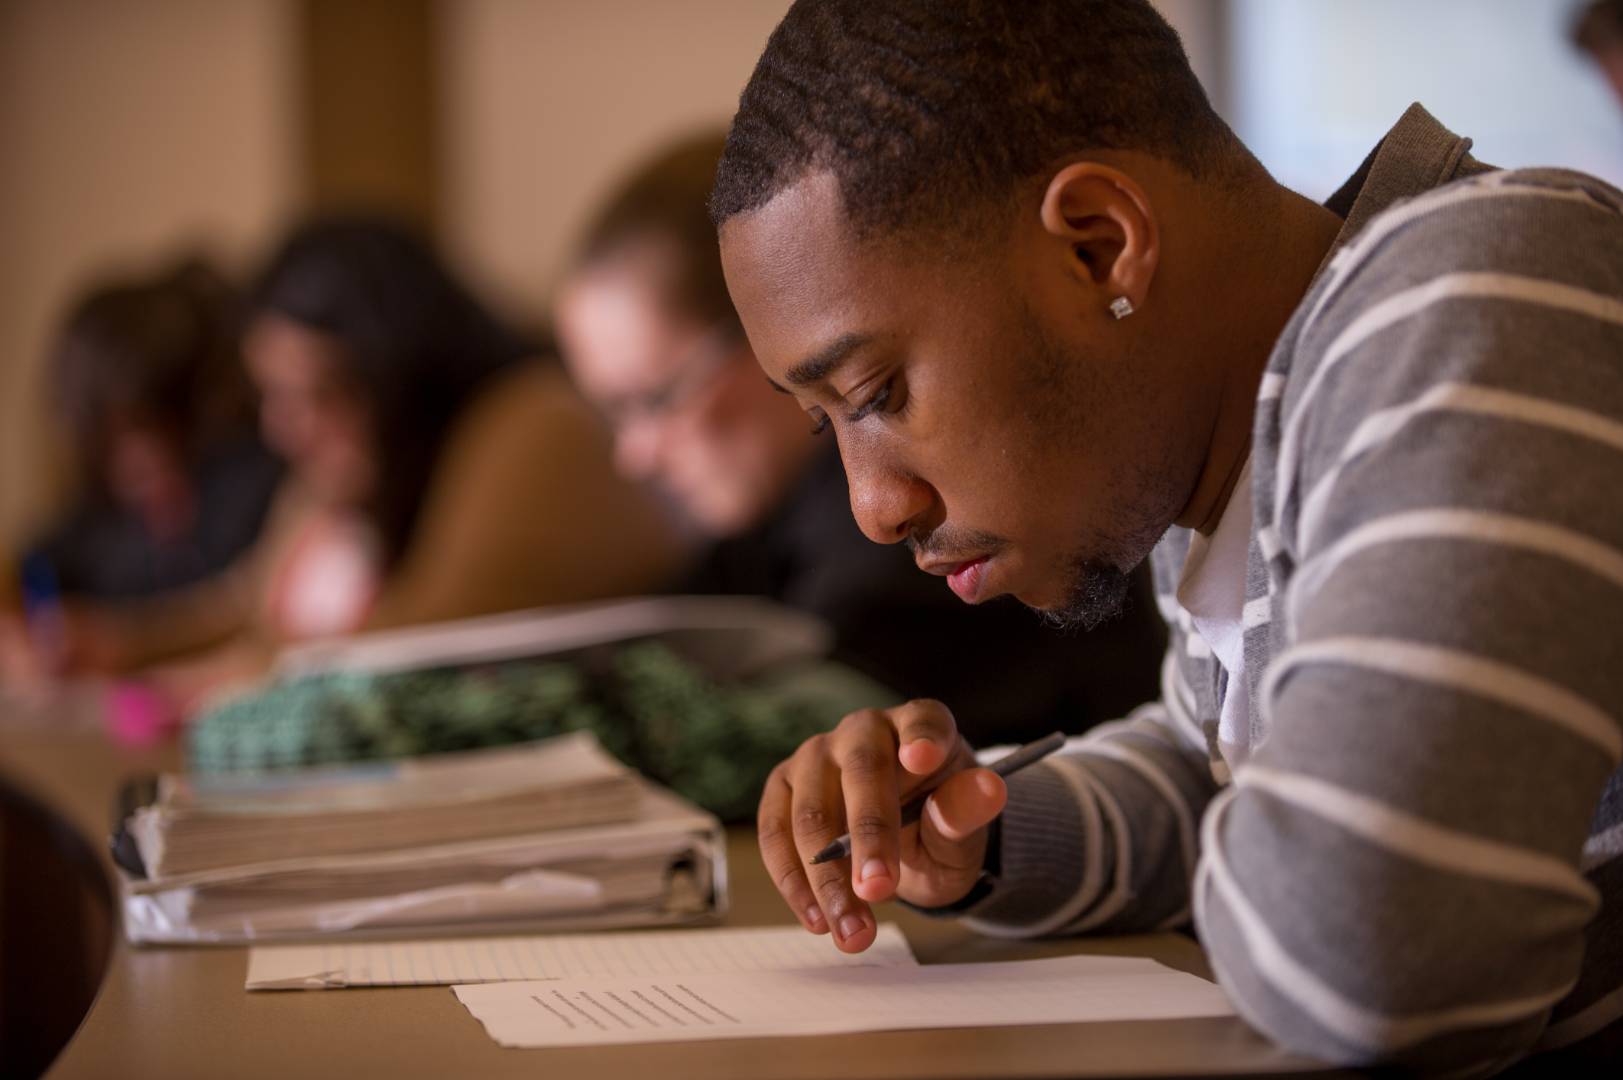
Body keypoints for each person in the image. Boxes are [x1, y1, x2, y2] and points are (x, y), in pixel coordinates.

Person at [714, 1, 1623, 1073]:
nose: (875, 507)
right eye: (826, 425)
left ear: (1100, 248)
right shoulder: (1216, 470)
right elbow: (1225, 767)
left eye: (877, 392)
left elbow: (1380, 949)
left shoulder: (1480, 296)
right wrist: (983, 826)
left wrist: (1305, 839)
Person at [555, 132, 1165, 746]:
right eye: (614, 414)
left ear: (767, 322)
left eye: (654, 400)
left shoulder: (925, 529)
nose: (634, 454)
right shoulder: (760, 532)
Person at [47, 217, 683, 710]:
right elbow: (249, 602)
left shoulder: (532, 423)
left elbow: (428, 635)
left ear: (402, 375)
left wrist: (233, 677)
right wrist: (115, 643)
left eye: (321, 393)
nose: (284, 427)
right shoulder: (348, 467)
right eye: (273, 395)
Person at [0, 260, 282, 685]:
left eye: (152, 424)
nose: (136, 462)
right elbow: (26, 570)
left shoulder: (258, 482)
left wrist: (124, 642)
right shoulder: (100, 521)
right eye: (108, 438)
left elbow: (244, 605)